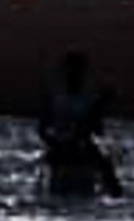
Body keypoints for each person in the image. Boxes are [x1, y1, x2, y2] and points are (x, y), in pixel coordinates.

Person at [39, 47, 122, 198]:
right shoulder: (57, 98)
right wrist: (56, 143)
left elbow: (95, 129)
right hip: (67, 150)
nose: (75, 75)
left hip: (77, 150)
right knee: (106, 169)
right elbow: (43, 128)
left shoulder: (61, 98)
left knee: (106, 169)